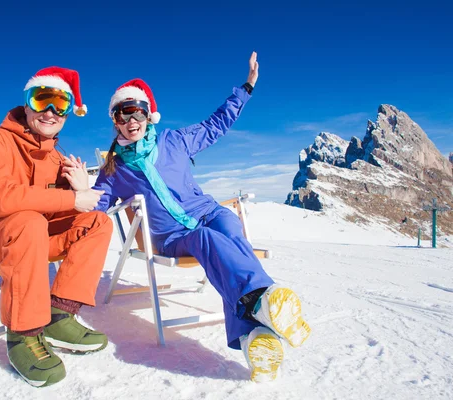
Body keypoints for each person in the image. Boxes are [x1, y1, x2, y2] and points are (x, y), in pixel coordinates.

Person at [85, 52, 311, 383]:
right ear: (114, 121)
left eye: (137, 111)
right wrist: (77, 190)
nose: (131, 120)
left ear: (149, 114)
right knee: (209, 240)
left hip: (206, 211)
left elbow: (215, 124)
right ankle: (261, 301)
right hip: (172, 237)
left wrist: (246, 87)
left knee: (228, 226)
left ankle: (253, 337)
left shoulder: (174, 141)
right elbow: (96, 206)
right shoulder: (113, 169)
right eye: (122, 114)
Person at [0, 67, 113, 387]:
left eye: (61, 105)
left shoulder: (55, 158)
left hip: (26, 238)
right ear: (27, 105)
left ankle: (59, 313)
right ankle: (24, 334)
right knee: (27, 221)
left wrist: (78, 188)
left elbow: (63, 211)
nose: (51, 112)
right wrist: (71, 199)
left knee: (97, 222)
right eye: (42, 101)